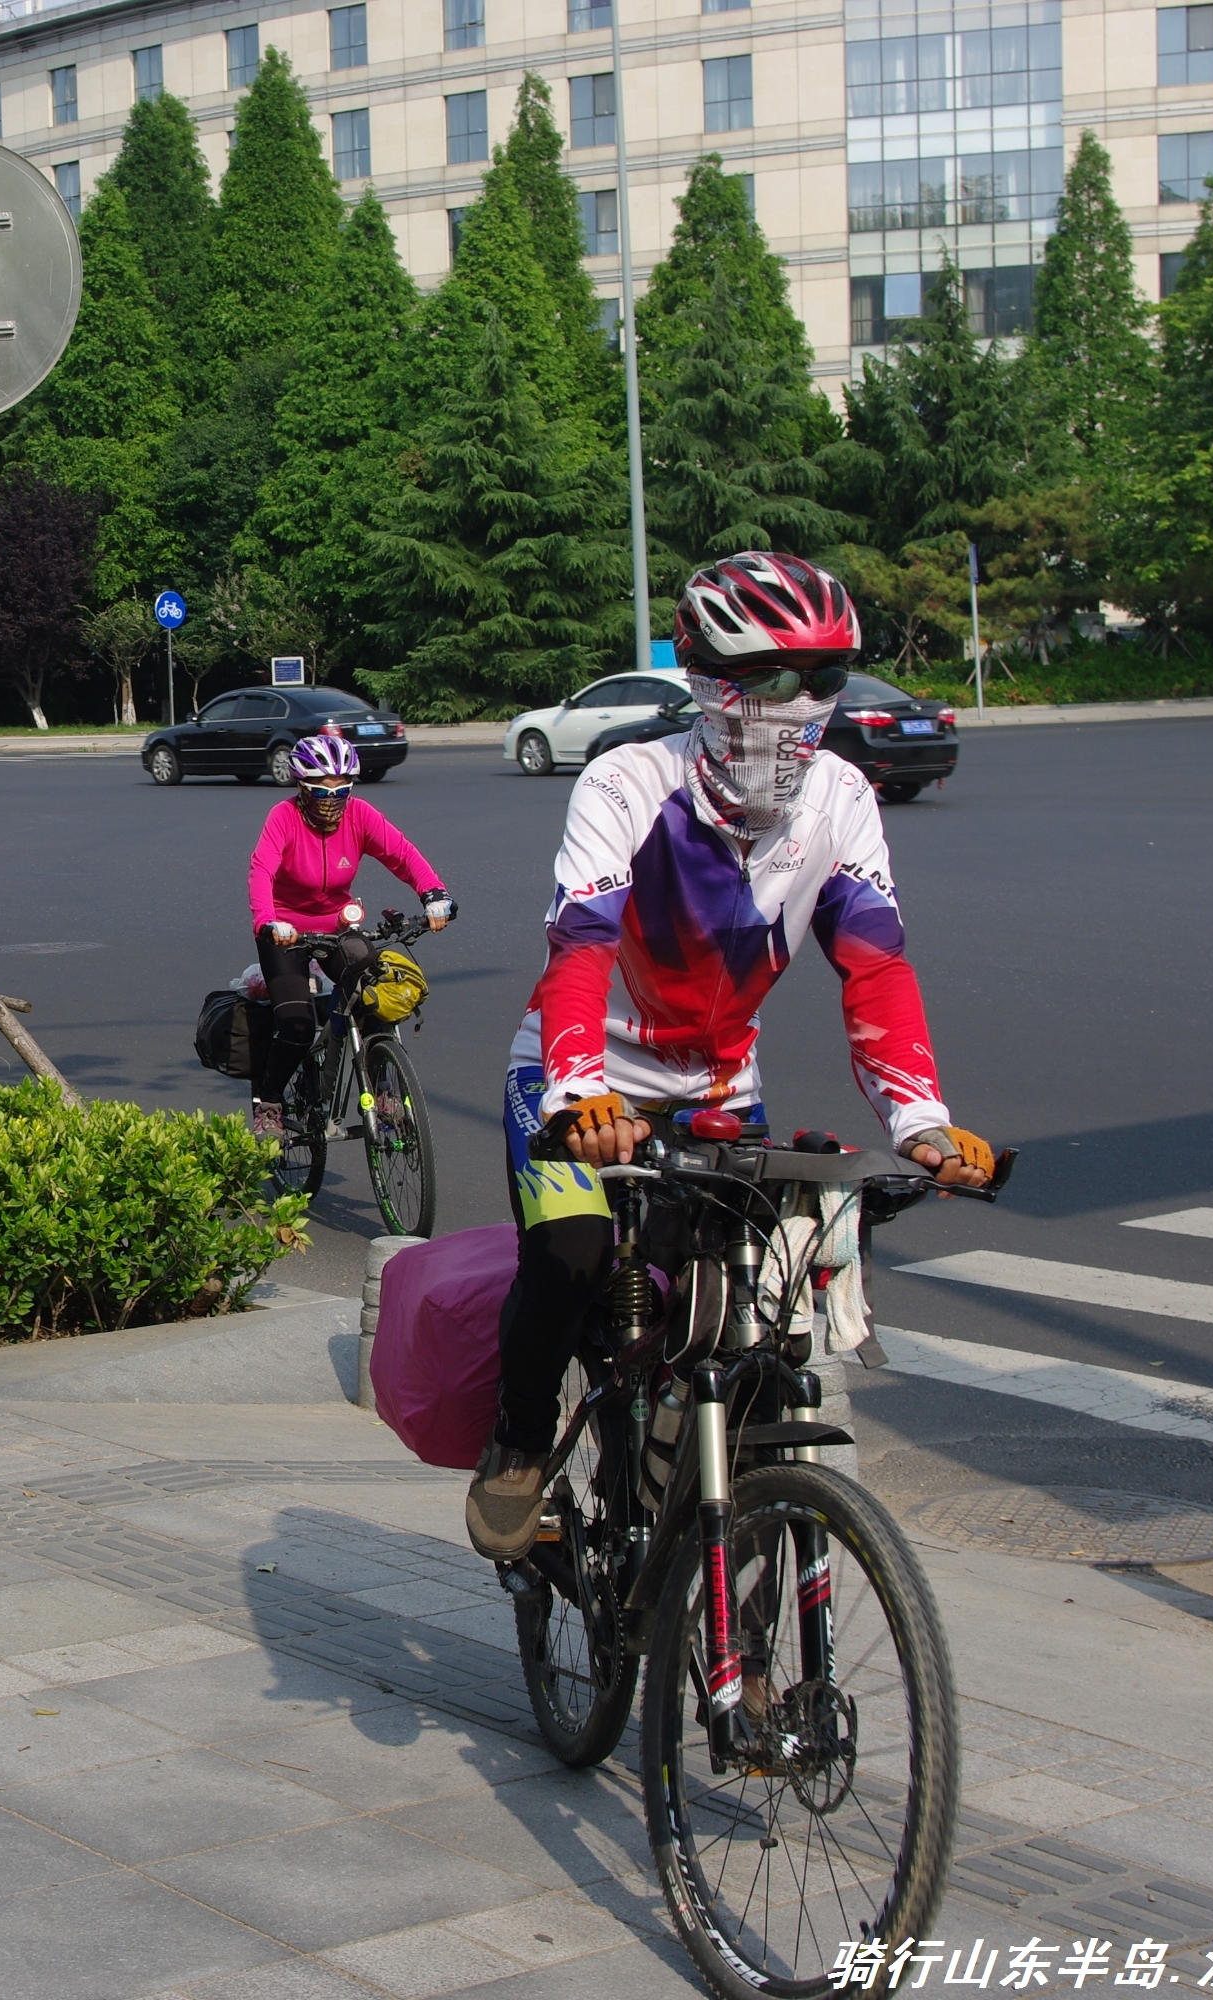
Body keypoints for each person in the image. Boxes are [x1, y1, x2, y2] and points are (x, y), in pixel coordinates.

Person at [470, 552, 995, 1563]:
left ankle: (715, 1576)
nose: (795, 706)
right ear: (706, 680)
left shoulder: (840, 797)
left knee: (753, 1326)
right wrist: (579, 1093)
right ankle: (519, 1437)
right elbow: (578, 946)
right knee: (571, 1252)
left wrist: (920, 1120)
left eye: (819, 679)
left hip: (715, 1089)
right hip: (574, 1077)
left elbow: (874, 965)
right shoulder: (627, 780)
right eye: (765, 680)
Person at [243, 730, 453, 1139]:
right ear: (302, 788)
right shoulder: (283, 818)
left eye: (342, 791)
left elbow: (402, 854)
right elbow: (261, 871)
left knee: (372, 991)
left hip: (336, 924)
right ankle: (268, 1102)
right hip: (285, 930)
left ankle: (384, 1088)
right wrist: (267, 922)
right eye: (322, 792)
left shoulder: (360, 815)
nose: (333, 802)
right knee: (296, 1025)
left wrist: (433, 894)